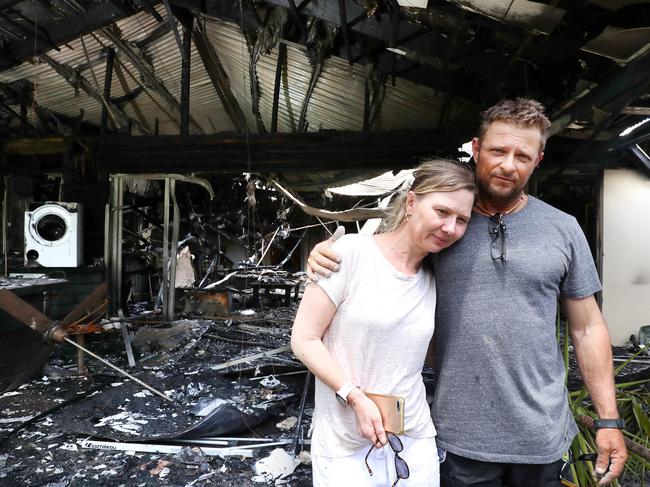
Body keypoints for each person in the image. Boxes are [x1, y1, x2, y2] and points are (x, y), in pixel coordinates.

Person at [307, 98, 628, 487]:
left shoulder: (563, 229)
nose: (508, 164)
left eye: (522, 155)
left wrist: (608, 419)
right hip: (460, 437)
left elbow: (588, 328)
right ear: (476, 149)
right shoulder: (441, 227)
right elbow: (383, 261)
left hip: (540, 434)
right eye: (497, 150)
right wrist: (324, 257)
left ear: (538, 161)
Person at [291, 159, 476, 486]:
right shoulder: (351, 254)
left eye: (462, 220)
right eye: (442, 212)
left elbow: (433, 354)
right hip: (346, 443)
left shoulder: (436, 275)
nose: (450, 228)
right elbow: (304, 340)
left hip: (414, 436)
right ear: (411, 202)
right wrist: (354, 396)